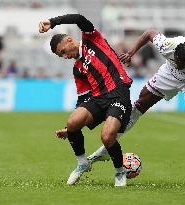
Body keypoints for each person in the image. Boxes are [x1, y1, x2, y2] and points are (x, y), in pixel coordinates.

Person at [87, 4, 185, 188]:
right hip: (168, 75)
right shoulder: (168, 47)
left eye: (182, 62)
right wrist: (132, 51)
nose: (178, 63)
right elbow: (149, 32)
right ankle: (105, 150)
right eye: (177, 60)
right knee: (137, 107)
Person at [38, 13, 132, 187]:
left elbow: (79, 18)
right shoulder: (78, 68)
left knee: (107, 135)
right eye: (62, 56)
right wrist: (70, 128)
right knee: (73, 121)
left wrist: (52, 22)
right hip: (98, 99)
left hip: (118, 93)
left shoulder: (92, 39)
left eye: (64, 52)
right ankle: (83, 163)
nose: (65, 57)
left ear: (69, 40)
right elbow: (82, 99)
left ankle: (120, 171)